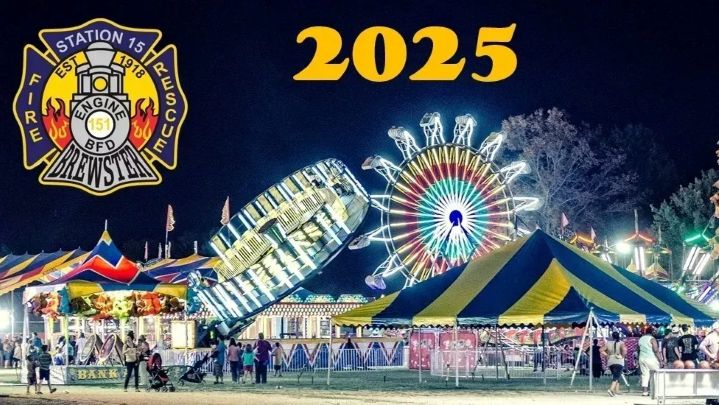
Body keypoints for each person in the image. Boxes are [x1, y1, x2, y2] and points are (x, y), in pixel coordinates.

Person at [638, 326, 662, 397]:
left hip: (642, 358)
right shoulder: (652, 339)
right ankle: (656, 391)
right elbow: (656, 350)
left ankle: (645, 392)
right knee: (656, 374)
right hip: (651, 358)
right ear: (652, 332)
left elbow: (638, 349)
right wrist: (660, 360)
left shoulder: (641, 339)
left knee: (645, 375)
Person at [603, 331, 626, 397]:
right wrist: (622, 356)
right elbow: (624, 350)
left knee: (616, 375)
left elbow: (601, 350)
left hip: (611, 361)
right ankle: (611, 390)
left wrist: (607, 355)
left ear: (612, 336)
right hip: (619, 361)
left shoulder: (608, 343)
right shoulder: (621, 343)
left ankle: (617, 391)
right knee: (616, 376)